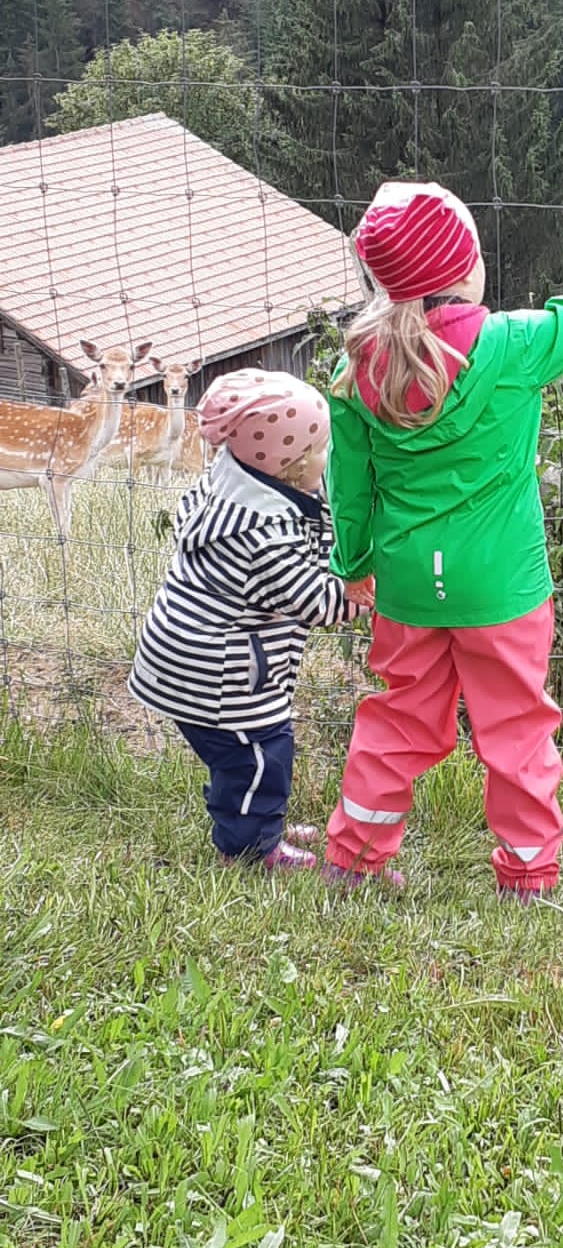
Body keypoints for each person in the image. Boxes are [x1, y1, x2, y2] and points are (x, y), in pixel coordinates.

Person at [323, 174, 563, 901]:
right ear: (466, 269)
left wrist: (354, 565)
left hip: (405, 585)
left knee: (397, 720)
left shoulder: (355, 367)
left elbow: (352, 487)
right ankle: (526, 876)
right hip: (502, 588)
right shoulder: (511, 345)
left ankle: (354, 858)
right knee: (515, 729)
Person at [129, 369, 371, 871]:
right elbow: (312, 600)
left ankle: (257, 819)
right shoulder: (258, 534)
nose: (329, 463)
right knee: (260, 754)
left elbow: (309, 519)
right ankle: (251, 847)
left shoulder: (237, 483)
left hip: (187, 655)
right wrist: (362, 594)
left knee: (241, 758)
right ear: (291, 466)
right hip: (220, 674)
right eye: (323, 452)